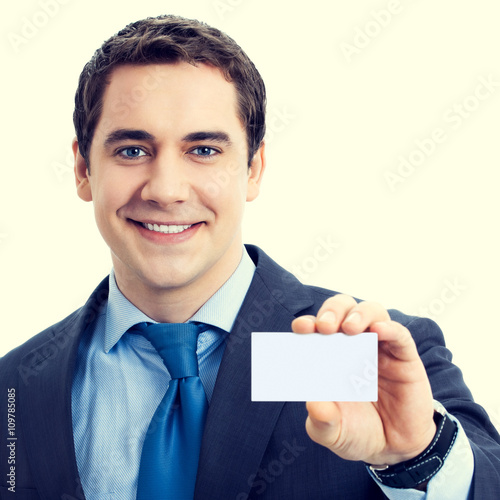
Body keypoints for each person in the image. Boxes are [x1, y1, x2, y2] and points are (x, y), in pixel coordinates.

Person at [0, 14, 499, 500]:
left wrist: (419, 454)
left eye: (204, 150)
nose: (167, 190)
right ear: (84, 169)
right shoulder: (17, 386)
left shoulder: (355, 358)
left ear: (254, 168)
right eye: (132, 150)